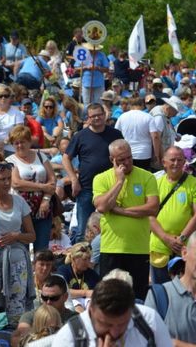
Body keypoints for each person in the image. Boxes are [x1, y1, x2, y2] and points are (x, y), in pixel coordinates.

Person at [93, 139, 158, 300]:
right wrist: (119, 181)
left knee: (138, 298)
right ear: (112, 160)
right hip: (111, 248)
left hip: (139, 248)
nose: (127, 162)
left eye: (129, 157)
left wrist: (119, 210)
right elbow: (102, 206)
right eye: (121, 160)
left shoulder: (147, 177)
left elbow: (152, 208)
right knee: (109, 298)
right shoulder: (101, 178)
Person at [0, 157, 36, 328]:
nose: (7, 182)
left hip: (16, 259)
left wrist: (16, 236)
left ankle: (15, 337)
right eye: (2, 179)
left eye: (9, 178)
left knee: (17, 306)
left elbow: (32, 235)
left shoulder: (19, 201)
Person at [62, 103, 123, 242]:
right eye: (93, 116)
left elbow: (123, 154)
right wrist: (74, 180)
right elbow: (66, 158)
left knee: (113, 229)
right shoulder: (80, 136)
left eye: (99, 115)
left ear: (105, 115)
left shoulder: (115, 134)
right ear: (88, 118)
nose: (97, 118)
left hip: (111, 188)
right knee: (83, 231)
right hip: (86, 188)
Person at [53, 278, 172, 346]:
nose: (114, 333)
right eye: (106, 324)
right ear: (90, 310)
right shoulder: (69, 338)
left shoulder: (148, 320)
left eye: (122, 324)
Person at [149, 146, 196, 284]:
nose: (176, 163)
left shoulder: (195, 183)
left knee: (186, 289)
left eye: (180, 160)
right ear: (164, 162)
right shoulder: (155, 183)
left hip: (184, 248)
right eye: (172, 160)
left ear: (184, 162)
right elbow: (149, 215)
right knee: (160, 290)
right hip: (159, 246)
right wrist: (166, 238)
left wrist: (181, 239)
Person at [7, 125, 57, 251]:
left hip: (43, 208)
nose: (19, 145)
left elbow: (52, 180)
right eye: (16, 143)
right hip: (21, 210)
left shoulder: (41, 156)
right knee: (21, 249)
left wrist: (46, 199)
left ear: (29, 142)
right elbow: (16, 183)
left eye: (22, 142)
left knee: (42, 249)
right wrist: (42, 186)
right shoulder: (10, 160)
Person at [15, 274, 77, 343]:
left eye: (54, 298)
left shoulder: (76, 319)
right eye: (44, 298)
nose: (48, 302)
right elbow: (19, 339)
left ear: (65, 297)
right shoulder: (30, 317)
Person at [114, 97, 158, 170]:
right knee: (143, 175)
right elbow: (155, 136)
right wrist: (156, 154)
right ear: (142, 105)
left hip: (126, 153)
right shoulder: (148, 117)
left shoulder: (122, 117)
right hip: (144, 154)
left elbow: (116, 134)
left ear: (130, 105)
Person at [56, 242, 100, 312]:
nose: (87, 262)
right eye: (84, 259)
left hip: (87, 302)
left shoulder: (91, 273)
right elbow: (61, 291)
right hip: (70, 302)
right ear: (73, 259)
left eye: (89, 259)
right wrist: (85, 293)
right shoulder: (63, 271)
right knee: (76, 305)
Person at [150, 97, 180, 167]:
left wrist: (175, 135)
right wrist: (158, 157)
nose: (175, 115)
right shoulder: (159, 118)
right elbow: (156, 138)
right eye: (175, 112)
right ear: (169, 108)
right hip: (160, 157)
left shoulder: (165, 114)